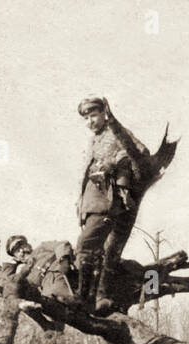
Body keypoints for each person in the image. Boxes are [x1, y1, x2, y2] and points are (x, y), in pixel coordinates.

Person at [75, 97, 149, 313]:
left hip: (107, 200)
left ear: (104, 113)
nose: (90, 121)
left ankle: (83, 298)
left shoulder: (116, 132)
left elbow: (139, 151)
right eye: (86, 118)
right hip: (91, 201)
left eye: (93, 115)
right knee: (96, 250)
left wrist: (114, 162)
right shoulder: (93, 141)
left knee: (86, 246)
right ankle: (96, 298)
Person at [1, 235, 76, 300]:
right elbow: (7, 282)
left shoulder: (42, 247)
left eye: (22, 245)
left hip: (63, 270)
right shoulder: (25, 272)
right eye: (17, 251)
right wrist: (12, 264)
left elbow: (61, 245)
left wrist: (64, 260)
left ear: (28, 245)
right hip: (50, 290)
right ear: (16, 258)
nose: (21, 251)